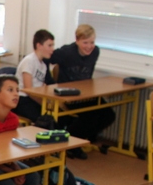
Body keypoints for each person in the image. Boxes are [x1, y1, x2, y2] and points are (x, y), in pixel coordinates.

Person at [49, 24, 114, 155]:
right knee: (90, 116)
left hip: (86, 94)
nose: (89, 46)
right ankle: (70, 142)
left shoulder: (95, 52)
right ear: (77, 40)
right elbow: (47, 57)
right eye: (85, 42)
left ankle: (80, 139)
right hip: (69, 96)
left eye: (92, 42)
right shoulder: (66, 52)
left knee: (109, 115)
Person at [15, 29, 55, 123]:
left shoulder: (43, 65)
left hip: (33, 99)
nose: (52, 49)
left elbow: (41, 87)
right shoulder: (29, 61)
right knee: (45, 120)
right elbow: (28, 90)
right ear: (39, 46)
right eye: (49, 45)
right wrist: (43, 103)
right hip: (22, 99)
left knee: (57, 117)